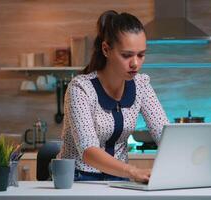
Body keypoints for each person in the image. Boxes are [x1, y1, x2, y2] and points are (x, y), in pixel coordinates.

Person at [58, 10, 169, 183]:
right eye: (127, 55)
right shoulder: (81, 88)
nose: (135, 63)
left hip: (119, 180)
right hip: (78, 179)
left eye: (141, 55)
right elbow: (88, 150)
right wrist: (132, 171)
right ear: (106, 49)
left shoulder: (141, 85)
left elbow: (164, 133)